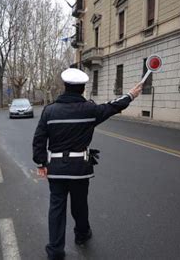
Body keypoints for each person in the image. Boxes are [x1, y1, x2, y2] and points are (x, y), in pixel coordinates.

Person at [32, 68, 143, 260]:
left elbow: (39, 140)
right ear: (83, 89)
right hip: (79, 170)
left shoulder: (49, 111)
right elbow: (112, 106)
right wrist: (131, 95)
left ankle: (56, 251)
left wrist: (41, 163)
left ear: (65, 87)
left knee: (56, 208)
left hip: (56, 170)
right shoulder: (90, 110)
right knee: (80, 205)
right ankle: (82, 235)